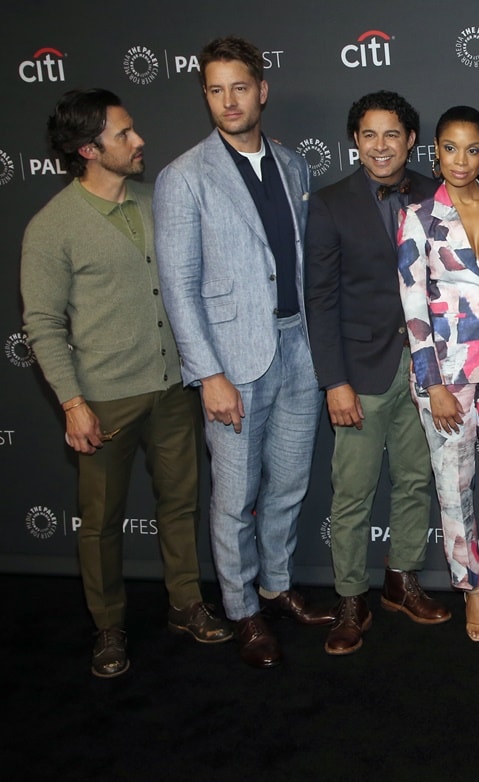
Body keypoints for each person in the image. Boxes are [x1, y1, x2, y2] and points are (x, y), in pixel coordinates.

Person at [21, 88, 232, 678]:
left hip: (172, 388)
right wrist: (72, 402)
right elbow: (41, 322)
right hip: (104, 398)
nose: (139, 142)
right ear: (90, 149)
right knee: (101, 520)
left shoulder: (156, 201)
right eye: (123, 134)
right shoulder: (52, 226)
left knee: (181, 505)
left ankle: (186, 604)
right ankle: (108, 626)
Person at [154, 36, 333, 669]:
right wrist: (208, 375)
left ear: (262, 90)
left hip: (297, 350)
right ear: (205, 95)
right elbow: (178, 288)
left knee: (287, 485)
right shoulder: (183, 177)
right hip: (232, 363)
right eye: (214, 89)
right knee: (234, 497)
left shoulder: (292, 165)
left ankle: (276, 588)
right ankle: (242, 611)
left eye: (239, 87)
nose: (228, 101)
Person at [305, 91, 449, 656]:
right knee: (353, 492)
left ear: (411, 140)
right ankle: (349, 598)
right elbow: (319, 299)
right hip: (359, 372)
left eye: (392, 134)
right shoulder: (329, 203)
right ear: (355, 141)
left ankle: (402, 580)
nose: (381, 146)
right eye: (369, 135)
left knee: (415, 481)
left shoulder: (437, 194)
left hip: (421, 367)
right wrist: (333, 380)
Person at [397, 106, 479, 643]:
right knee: (454, 489)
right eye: (450, 148)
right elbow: (412, 307)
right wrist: (432, 386)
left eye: (472, 149)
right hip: (445, 378)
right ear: (435, 150)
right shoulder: (419, 215)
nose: (460, 159)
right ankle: (473, 591)